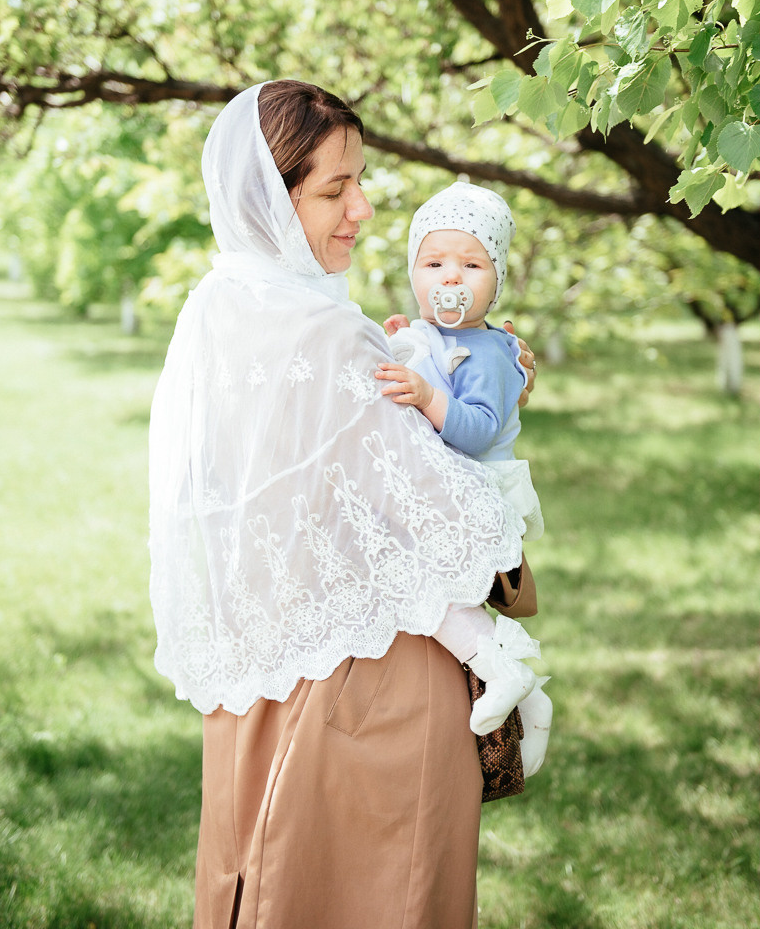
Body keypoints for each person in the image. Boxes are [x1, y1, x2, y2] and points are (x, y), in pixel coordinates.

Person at [148, 80, 538, 929]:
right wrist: (498, 417)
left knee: (260, 892)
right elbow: (455, 522)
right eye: (334, 189)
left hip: (254, 678)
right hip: (367, 698)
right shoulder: (328, 335)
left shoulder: (213, 311)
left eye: (360, 181)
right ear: (273, 200)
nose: (362, 209)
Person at [375, 180, 552, 773]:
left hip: (477, 494)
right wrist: (412, 340)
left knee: (426, 588)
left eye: (472, 264)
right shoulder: (445, 336)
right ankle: (528, 694)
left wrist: (425, 393)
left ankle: (504, 672)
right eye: (434, 263)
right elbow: (423, 352)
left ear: (496, 280)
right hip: (447, 490)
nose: (451, 277)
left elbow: (473, 429)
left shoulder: (490, 354)